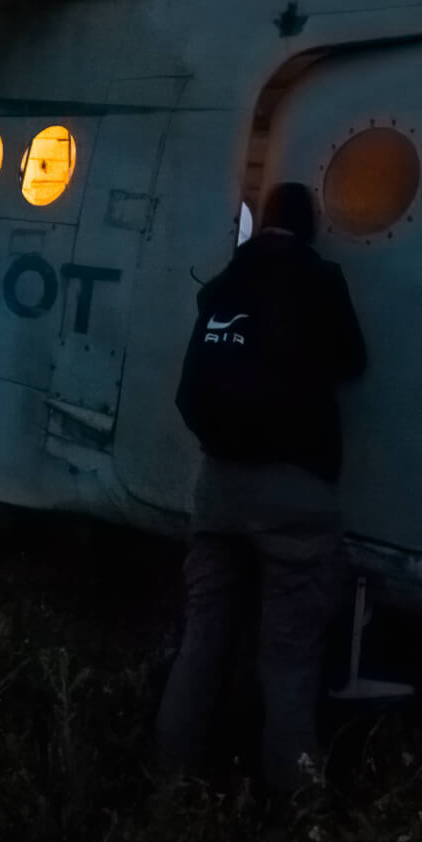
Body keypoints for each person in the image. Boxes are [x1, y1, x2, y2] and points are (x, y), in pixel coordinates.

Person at [156, 181, 367, 793]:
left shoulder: (222, 286)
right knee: (289, 665)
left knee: (202, 643)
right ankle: (293, 829)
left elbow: (193, 390)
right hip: (295, 494)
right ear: (312, 228)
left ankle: (168, 791)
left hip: (218, 490)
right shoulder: (321, 280)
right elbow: (354, 361)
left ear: (265, 222)